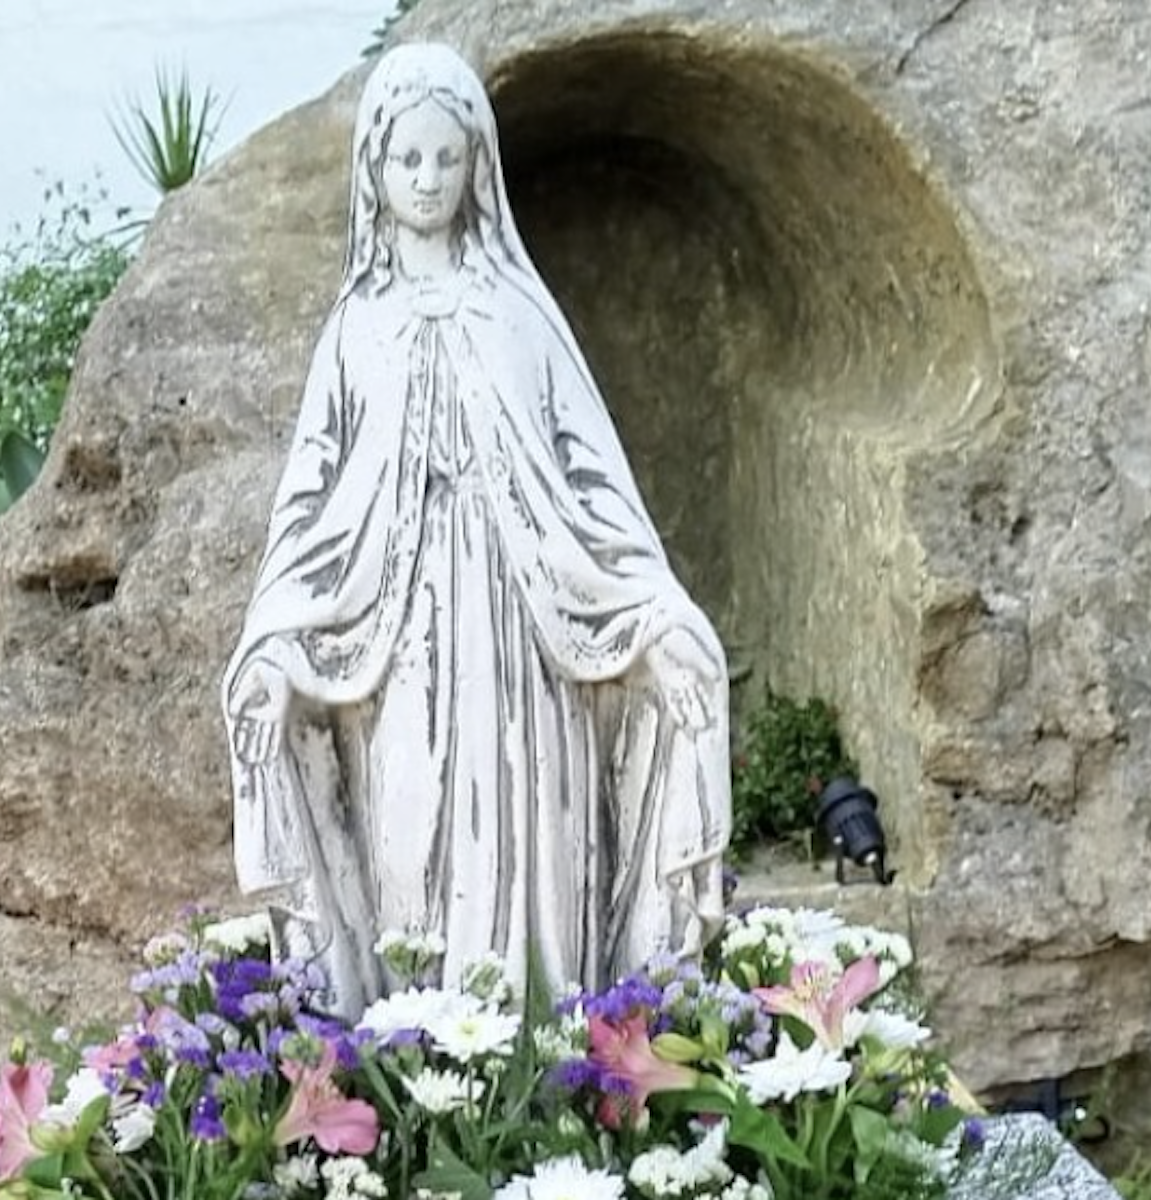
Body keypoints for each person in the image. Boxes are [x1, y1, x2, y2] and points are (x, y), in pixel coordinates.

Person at [221, 43, 729, 1011]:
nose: (425, 180)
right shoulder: (355, 329)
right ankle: (427, 1079)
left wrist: (653, 614)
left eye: (444, 159)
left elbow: (591, 479)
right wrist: (278, 642)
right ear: (372, 170)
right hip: (396, 636)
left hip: (529, 631)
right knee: (411, 844)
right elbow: (308, 501)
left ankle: (554, 1076)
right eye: (405, 160)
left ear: (476, 167)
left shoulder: (518, 316)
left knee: (537, 837)